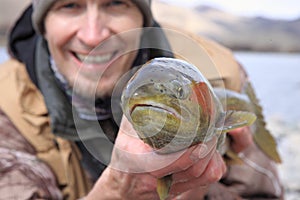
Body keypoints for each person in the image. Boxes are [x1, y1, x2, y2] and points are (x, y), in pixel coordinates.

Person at [0, 0, 283, 199]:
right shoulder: (5, 104)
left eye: (116, 3)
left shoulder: (221, 74)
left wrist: (202, 190)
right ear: (43, 25)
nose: (93, 35)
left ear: (142, 17)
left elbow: (263, 194)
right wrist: (116, 193)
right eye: (69, 5)